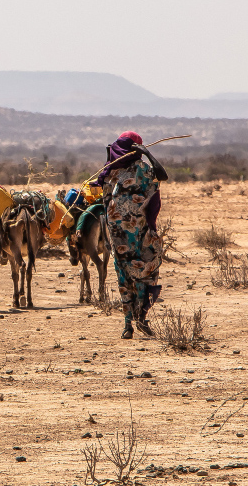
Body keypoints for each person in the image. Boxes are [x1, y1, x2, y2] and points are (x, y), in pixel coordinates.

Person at [97, 131, 168, 339]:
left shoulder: (109, 172)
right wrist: (146, 153)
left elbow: (105, 201)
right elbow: (162, 176)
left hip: (115, 232)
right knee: (145, 267)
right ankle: (141, 316)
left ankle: (128, 324)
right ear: (136, 148)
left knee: (123, 274)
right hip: (136, 230)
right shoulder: (141, 169)